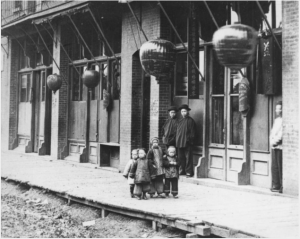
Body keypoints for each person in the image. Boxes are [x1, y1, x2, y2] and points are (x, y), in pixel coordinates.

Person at [176, 104, 196, 178]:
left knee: (188, 157)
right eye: (182, 111)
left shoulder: (191, 121)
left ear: (187, 112)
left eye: (184, 111)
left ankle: (189, 171)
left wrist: (189, 140)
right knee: (181, 157)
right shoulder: (179, 120)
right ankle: (182, 170)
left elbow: (192, 132)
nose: (183, 113)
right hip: (179, 142)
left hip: (187, 142)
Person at [270, 101, 283, 193]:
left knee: (280, 166)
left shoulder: (284, 120)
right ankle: (276, 185)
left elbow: (281, 135)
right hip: (274, 147)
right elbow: (272, 133)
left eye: (279, 109)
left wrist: (275, 142)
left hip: (280, 147)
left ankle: (281, 186)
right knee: (274, 166)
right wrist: (272, 142)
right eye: (277, 109)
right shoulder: (276, 120)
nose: (278, 111)